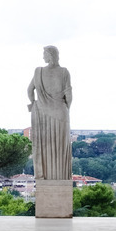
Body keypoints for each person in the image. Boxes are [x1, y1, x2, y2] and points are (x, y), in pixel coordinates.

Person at [27, 45, 72, 180]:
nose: (43, 57)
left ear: (50, 55)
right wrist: (65, 109)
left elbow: (30, 91)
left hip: (42, 113)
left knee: (45, 146)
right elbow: (69, 96)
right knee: (60, 147)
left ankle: (45, 176)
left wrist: (35, 103)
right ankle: (61, 176)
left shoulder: (38, 72)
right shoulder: (64, 72)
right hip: (61, 113)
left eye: (44, 54)